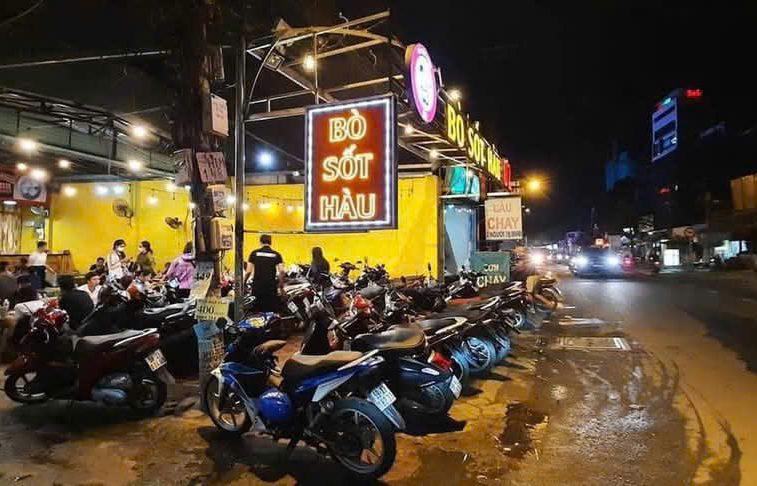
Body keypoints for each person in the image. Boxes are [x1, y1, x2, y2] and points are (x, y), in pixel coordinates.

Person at [247, 234, 284, 312]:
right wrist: (281, 285)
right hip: (271, 287)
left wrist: (243, 282)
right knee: (270, 310)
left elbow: (248, 271)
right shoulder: (276, 254)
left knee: (257, 311)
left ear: (260, 242)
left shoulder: (254, 253)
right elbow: (281, 271)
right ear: (270, 242)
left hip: (257, 286)